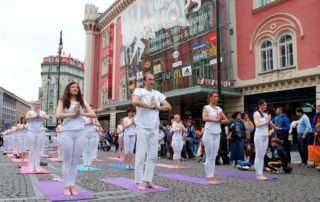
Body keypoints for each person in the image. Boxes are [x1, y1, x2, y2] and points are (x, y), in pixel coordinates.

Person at [132, 72, 172, 190]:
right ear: (144, 81)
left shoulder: (157, 93)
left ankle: (148, 180)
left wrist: (157, 107)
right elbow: (135, 101)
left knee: (153, 156)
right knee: (140, 155)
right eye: (150, 79)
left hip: (154, 127)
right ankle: (139, 181)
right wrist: (149, 106)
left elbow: (168, 106)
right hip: (142, 127)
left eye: (153, 80)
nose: (152, 81)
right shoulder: (139, 91)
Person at [55, 81, 96, 196]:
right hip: (67, 132)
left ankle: (72, 184)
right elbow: (58, 115)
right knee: (67, 160)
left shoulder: (82, 101)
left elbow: (93, 114)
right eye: (73, 87)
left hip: (81, 132)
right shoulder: (63, 100)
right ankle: (66, 186)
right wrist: (72, 114)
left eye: (77, 87)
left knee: (75, 160)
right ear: (68, 89)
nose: (75, 89)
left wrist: (81, 113)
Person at [202, 92, 229, 184]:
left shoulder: (219, 109)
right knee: (209, 155)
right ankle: (209, 176)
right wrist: (215, 120)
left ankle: (212, 175)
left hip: (217, 133)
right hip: (209, 132)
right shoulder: (206, 107)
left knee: (214, 155)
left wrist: (219, 120)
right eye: (215, 96)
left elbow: (226, 120)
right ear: (210, 98)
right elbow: (204, 118)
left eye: (217, 96)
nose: (217, 98)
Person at [253, 100, 278, 180]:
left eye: (266, 105)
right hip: (259, 136)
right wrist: (267, 121)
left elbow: (270, 123)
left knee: (263, 155)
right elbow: (257, 125)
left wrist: (276, 128)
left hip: (265, 136)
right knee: (258, 154)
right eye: (264, 105)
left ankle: (261, 172)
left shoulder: (266, 114)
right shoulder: (256, 113)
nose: (265, 107)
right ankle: (258, 173)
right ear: (259, 105)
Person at [25, 101, 48, 171]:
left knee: (38, 149)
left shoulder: (42, 112)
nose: (37, 106)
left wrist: (40, 116)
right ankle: (31, 166)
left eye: (39, 104)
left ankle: (37, 166)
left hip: (40, 132)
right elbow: (26, 117)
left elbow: (47, 117)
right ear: (33, 105)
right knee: (32, 149)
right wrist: (34, 116)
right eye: (36, 104)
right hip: (31, 131)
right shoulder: (30, 112)